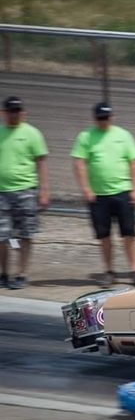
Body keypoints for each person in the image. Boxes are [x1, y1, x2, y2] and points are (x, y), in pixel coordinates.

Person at [71, 102, 135, 288]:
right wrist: (86, 189)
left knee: (129, 234)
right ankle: (109, 271)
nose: (103, 121)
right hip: (98, 196)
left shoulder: (123, 135)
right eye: (100, 118)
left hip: (122, 192)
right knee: (104, 236)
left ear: (113, 117)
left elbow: (134, 163)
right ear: (95, 118)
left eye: (106, 117)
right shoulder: (86, 137)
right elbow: (79, 163)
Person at [0, 96, 50, 290]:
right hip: (2, 192)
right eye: (10, 111)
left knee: (25, 234)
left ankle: (22, 273)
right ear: (4, 113)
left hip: (26, 191)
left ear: (23, 113)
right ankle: (4, 273)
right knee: (2, 236)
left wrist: (45, 191)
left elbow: (42, 164)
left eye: (17, 111)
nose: (14, 114)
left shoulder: (32, 134)